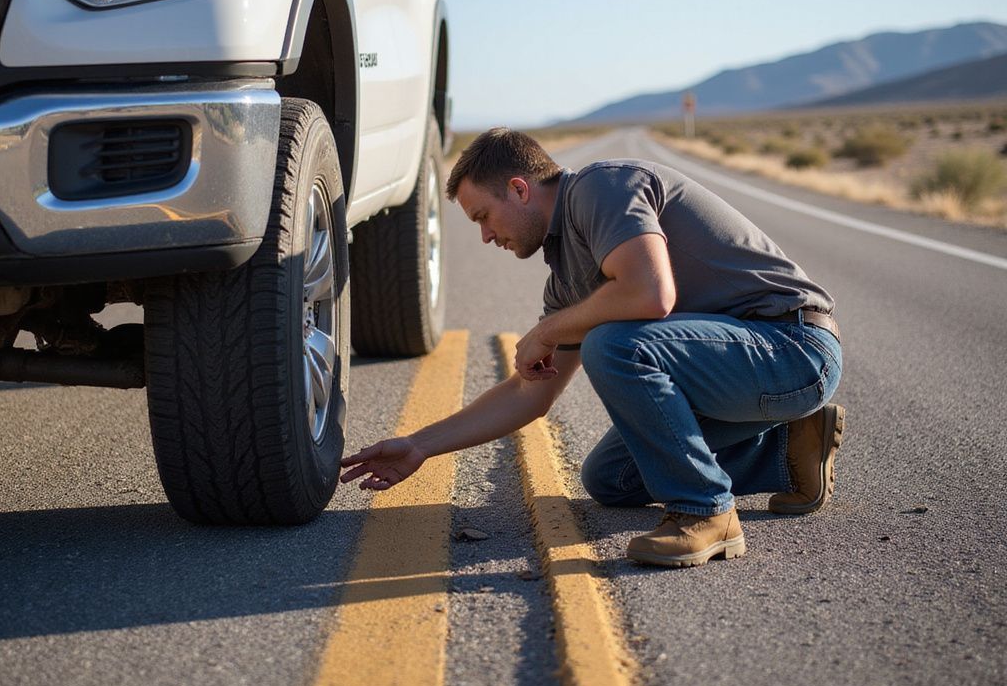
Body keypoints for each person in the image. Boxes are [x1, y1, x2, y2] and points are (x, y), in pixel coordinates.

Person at [340, 128, 845, 568]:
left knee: (611, 343)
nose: (485, 236)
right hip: (752, 373)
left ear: (519, 188)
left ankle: (705, 510)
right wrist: (420, 446)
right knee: (612, 478)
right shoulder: (568, 276)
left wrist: (548, 332)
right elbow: (529, 394)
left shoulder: (601, 187)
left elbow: (650, 292)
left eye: (483, 217)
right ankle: (789, 451)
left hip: (794, 347)